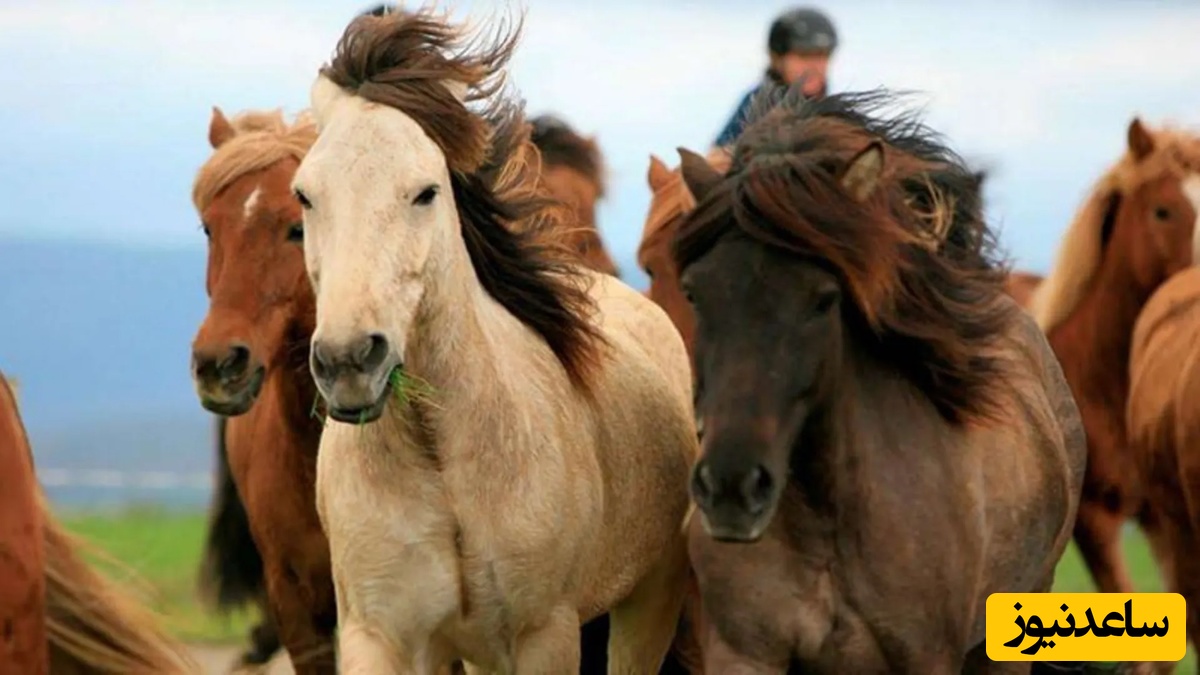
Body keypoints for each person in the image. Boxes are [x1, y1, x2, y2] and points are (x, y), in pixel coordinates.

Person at [712, 6, 839, 150]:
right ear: (777, 59)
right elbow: (719, 160)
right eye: (803, 56)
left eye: (821, 56)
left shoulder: (835, 114)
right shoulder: (756, 109)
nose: (813, 66)